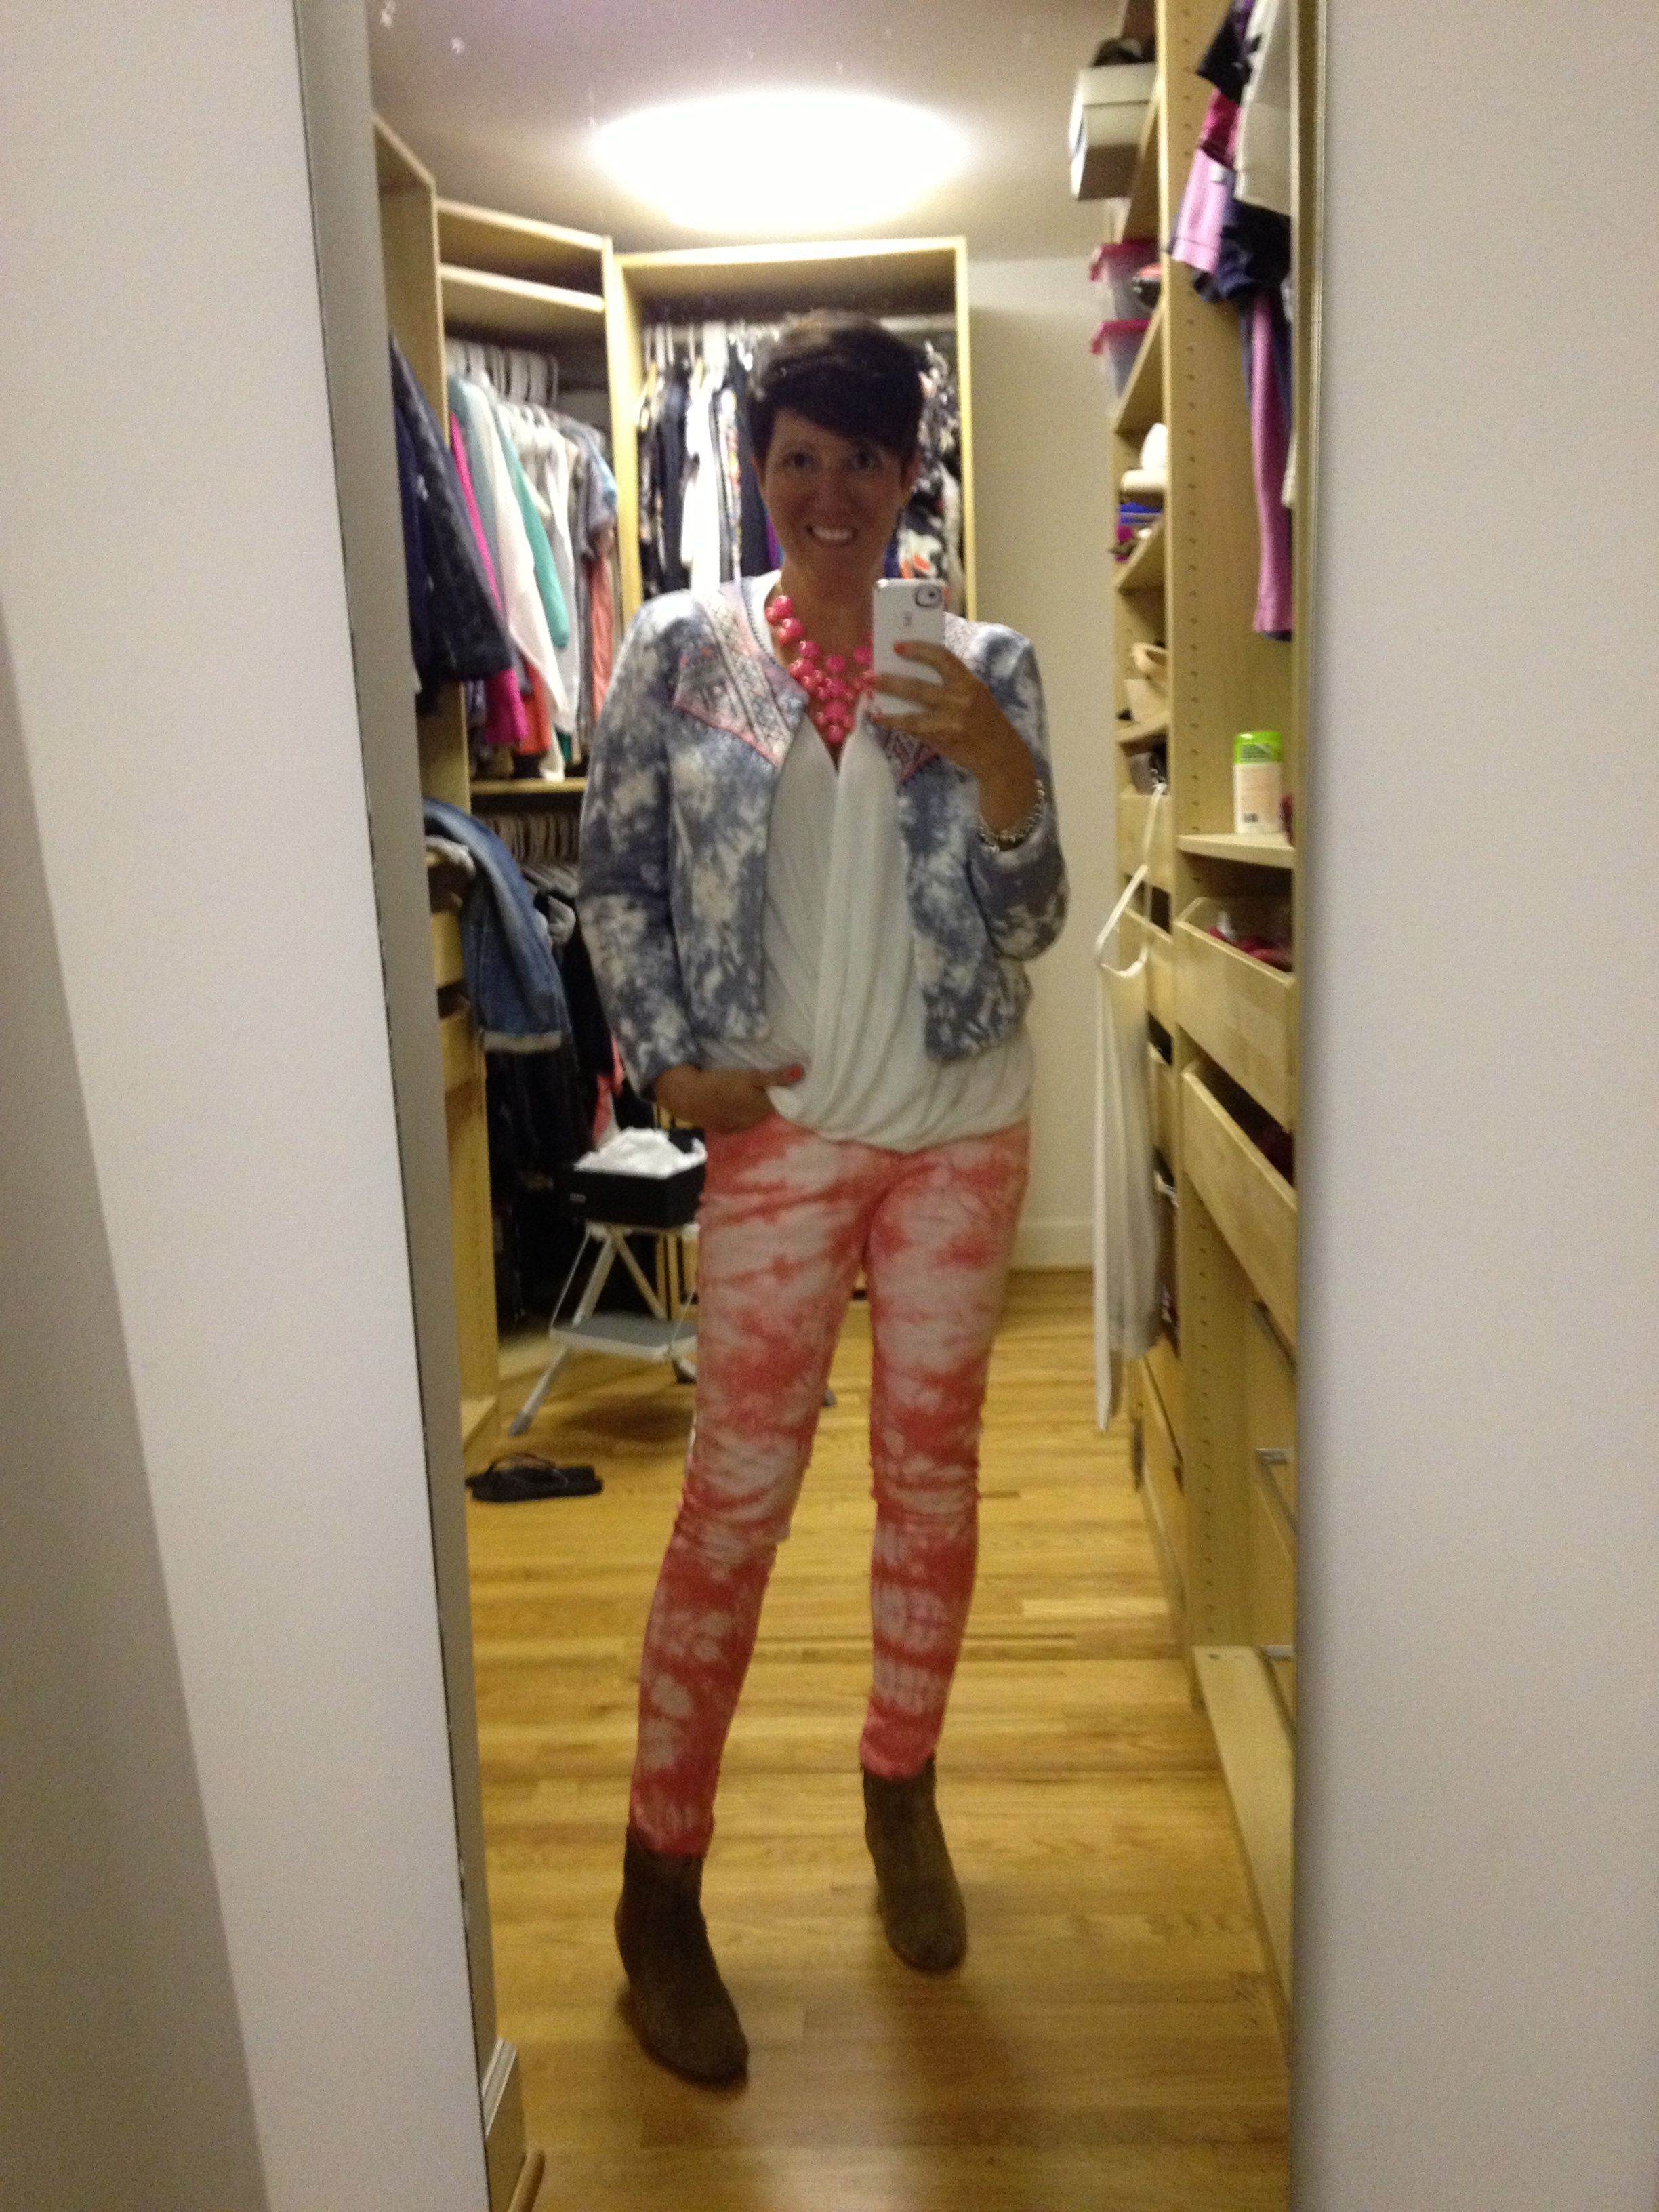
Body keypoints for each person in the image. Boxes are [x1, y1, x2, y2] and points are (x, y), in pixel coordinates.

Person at [578, 312, 1068, 2084]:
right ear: (756, 466)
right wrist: (664, 1061)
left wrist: (1002, 770)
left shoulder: (983, 660)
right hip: (777, 1135)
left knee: (929, 1483)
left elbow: (1032, 921)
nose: (834, 491)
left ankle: (900, 1792)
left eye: (867, 457)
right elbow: (617, 880)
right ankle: (657, 1890)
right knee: (734, 1507)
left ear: (908, 474)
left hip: (959, 1131)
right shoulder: (677, 648)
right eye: (803, 456)